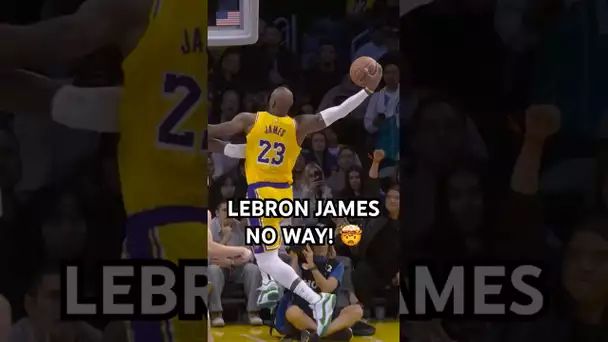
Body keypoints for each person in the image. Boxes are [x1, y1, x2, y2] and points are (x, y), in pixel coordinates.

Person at [0, 1, 215, 342]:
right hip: (200, 225)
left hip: (165, 230)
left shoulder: (137, 9)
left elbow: (40, 44)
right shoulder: (197, 31)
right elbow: (68, 102)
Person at [207, 65, 382, 336]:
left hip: (262, 193)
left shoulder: (250, 120)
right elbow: (336, 113)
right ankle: (283, 289)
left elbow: (216, 131)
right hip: (283, 195)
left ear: (270, 102)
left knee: (265, 258)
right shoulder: (297, 125)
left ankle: (308, 298)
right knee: (267, 257)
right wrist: (367, 91)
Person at [277, 244, 363, 341]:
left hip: (327, 316)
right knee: (292, 312)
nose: (321, 246)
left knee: (357, 310)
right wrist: (295, 255)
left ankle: (319, 334)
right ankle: (330, 334)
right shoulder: (301, 262)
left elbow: (327, 288)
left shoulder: (336, 265)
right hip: (304, 315)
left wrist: (313, 267)